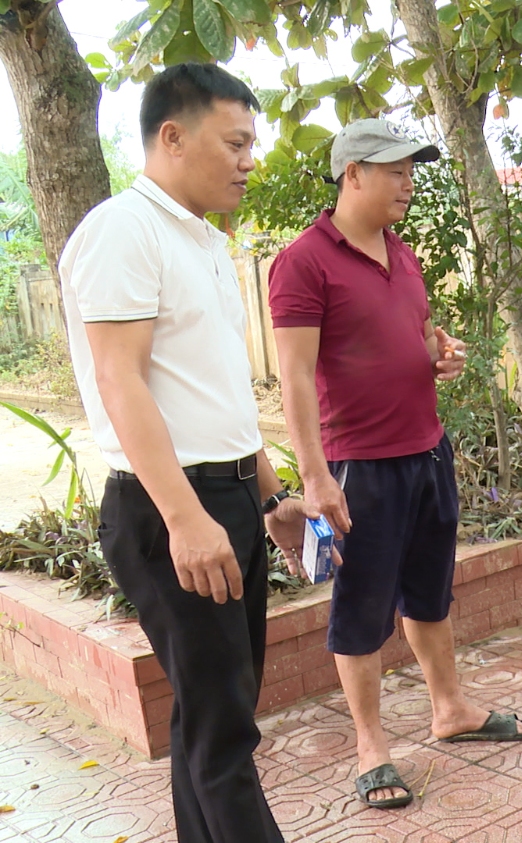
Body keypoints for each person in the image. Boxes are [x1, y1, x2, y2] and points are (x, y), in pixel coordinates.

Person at [58, 63, 308, 843]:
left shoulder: (199, 239)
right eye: (234, 142)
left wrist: (269, 498)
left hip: (225, 498)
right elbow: (118, 379)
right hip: (172, 505)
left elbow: (216, 394)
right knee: (226, 732)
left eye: (251, 143)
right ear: (172, 136)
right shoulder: (121, 232)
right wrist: (183, 516)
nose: (248, 159)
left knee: (212, 718)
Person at [267, 119, 522, 810]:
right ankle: (371, 746)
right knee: (361, 608)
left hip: (427, 451)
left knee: (429, 591)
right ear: (351, 172)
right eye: (393, 168)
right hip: (361, 466)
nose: (407, 179)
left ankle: (449, 709)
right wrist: (316, 475)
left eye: (412, 168)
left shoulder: (402, 253)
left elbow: (416, 337)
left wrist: (437, 354)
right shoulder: (304, 261)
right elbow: (294, 378)